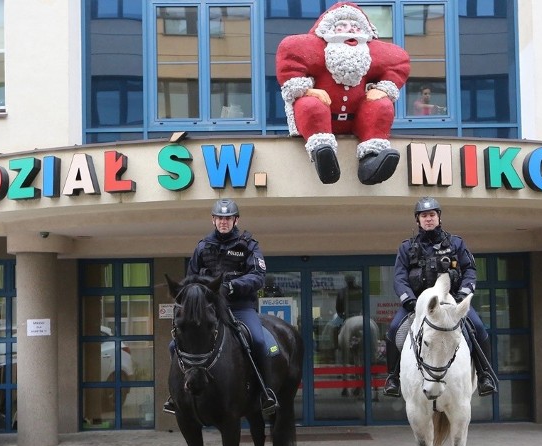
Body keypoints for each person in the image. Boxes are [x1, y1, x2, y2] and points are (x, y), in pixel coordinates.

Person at [163, 198, 278, 415]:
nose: (223, 222)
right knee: (173, 345)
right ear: (213, 220)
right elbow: (191, 280)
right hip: (210, 309)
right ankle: (175, 393)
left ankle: (265, 392)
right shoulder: (203, 247)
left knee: (260, 341)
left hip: (241, 306)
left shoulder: (249, 245)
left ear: (236, 220)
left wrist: (233, 286)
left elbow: (258, 277)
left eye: (228, 218)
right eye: (219, 218)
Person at [276, 2, 411, 185]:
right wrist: (307, 90)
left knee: (382, 104)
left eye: (356, 27)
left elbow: (399, 62)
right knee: (309, 104)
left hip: (357, 119)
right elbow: (290, 65)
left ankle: (371, 159)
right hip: (324, 117)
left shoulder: (372, 54)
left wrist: (382, 88)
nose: (351, 32)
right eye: (343, 27)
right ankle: (323, 155)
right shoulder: (314, 50)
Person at [383, 197, 498, 398]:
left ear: (439, 218)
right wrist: (407, 299)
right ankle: (392, 378)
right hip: (417, 304)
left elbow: (469, 269)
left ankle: (484, 375)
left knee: (478, 327)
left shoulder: (456, 243)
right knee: (394, 330)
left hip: (451, 302)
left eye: (432, 215)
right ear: (417, 220)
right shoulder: (406, 248)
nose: (428, 219)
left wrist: (464, 294)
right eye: (424, 216)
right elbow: (399, 277)